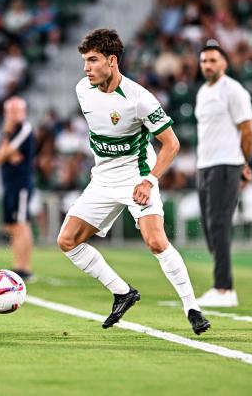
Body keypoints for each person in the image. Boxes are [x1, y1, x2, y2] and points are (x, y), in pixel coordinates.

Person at [57, 28, 210, 335]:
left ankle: (192, 307)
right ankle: (122, 292)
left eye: (93, 60)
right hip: (103, 179)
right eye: (85, 61)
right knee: (67, 240)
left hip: (137, 177)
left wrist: (149, 182)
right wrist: (99, 164)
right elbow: (100, 133)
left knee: (155, 241)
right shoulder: (82, 90)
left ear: (112, 61)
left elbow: (172, 144)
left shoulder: (140, 99)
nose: (86, 68)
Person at [195, 45, 252, 307]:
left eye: (212, 60)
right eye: (204, 60)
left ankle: (224, 289)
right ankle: (222, 284)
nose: (207, 64)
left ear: (224, 64)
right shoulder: (201, 92)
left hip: (226, 164)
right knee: (210, 227)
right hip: (205, 165)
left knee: (219, 224)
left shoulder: (233, 91)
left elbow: (248, 130)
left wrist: (243, 163)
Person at [0, 96, 36, 281]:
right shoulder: (6, 132)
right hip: (9, 185)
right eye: (9, 111)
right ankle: (19, 265)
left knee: (21, 225)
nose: (12, 114)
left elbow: (0, 156)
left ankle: (24, 267)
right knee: (13, 226)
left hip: (21, 185)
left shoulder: (24, 129)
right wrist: (6, 153)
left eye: (16, 110)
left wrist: (5, 153)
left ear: (23, 112)